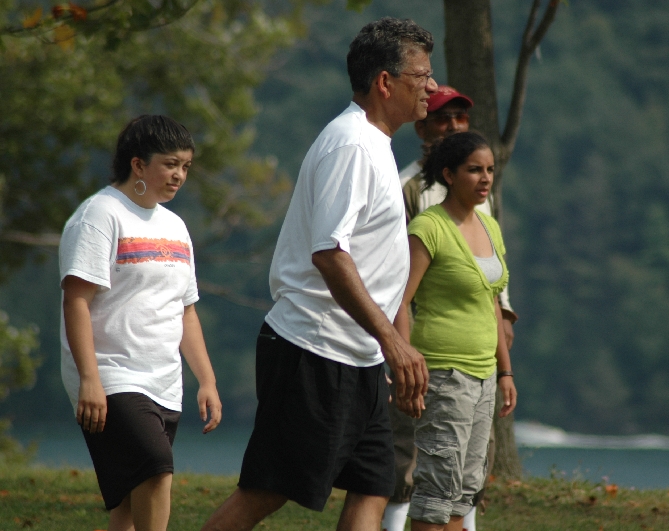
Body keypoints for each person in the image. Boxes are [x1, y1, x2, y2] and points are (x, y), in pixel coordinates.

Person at [201, 17, 436, 531]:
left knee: (374, 485)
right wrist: (394, 344)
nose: (432, 86)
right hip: (314, 349)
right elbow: (329, 253)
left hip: (358, 355)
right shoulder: (352, 145)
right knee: (266, 491)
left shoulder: (375, 144)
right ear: (385, 82)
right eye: (421, 75)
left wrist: (388, 348)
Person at [59, 115, 223, 531]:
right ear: (137, 164)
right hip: (112, 375)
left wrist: (206, 380)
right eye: (170, 164)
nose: (179, 175)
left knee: (129, 506)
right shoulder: (100, 216)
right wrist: (89, 379)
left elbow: (185, 309)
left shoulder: (175, 226)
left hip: (164, 380)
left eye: (185, 166)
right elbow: (76, 299)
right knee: (155, 467)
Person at [382, 87, 518, 531]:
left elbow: (492, 300)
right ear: (449, 174)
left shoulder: (490, 224)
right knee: (435, 490)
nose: (485, 178)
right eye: (474, 170)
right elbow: (399, 298)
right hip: (442, 371)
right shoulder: (426, 222)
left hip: (483, 374)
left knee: (465, 490)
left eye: (489, 170)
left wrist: (505, 370)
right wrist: (404, 361)